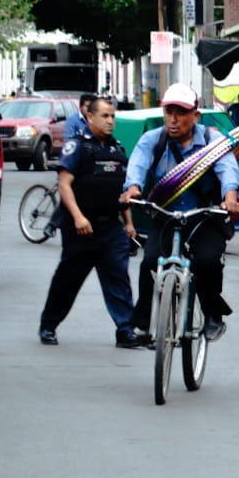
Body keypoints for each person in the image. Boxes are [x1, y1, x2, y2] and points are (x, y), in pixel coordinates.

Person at [120, 83, 239, 343]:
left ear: (195, 116)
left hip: (204, 216)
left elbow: (227, 169)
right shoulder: (153, 139)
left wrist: (230, 196)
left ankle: (212, 315)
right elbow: (138, 164)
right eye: (169, 112)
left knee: (208, 261)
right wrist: (133, 187)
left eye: (181, 113)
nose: (173, 120)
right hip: (166, 216)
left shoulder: (212, 141)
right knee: (150, 261)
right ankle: (141, 325)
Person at [38, 97, 145, 348]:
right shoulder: (77, 147)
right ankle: (49, 325)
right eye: (105, 116)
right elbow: (64, 185)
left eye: (112, 116)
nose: (110, 121)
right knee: (68, 280)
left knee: (118, 279)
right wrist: (77, 217)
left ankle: (125, 331)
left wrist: (128, 223)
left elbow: (122, 191)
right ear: (90, 117)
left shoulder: (117, 149)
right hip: (82, 229)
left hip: (111, 228)